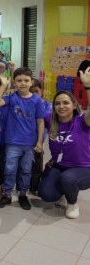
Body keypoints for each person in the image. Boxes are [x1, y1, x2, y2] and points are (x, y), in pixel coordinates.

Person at [38, 68, 90, 219]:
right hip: (59, 166)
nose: (61, 106)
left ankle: (72, 203)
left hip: (83, 168)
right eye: (58, 103)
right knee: (46, 194)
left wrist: (87, 86)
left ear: (74, 106)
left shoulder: (82, 121)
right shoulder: (50, 119)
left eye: (66, 103)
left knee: (68, 178)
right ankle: (64, 192)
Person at [0, 68, 45, 210]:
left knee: (26, 170)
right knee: (10, 169)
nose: (23, 83)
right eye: (19, 80)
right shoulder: (12, 98)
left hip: (29, 144)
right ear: (14, 83)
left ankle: (22, 194)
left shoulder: (37, 100)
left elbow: (41, 122)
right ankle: (7, 194)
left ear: (31, 82)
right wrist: (3, 86)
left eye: (26, 80)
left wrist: (40, 142)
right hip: (12, 142)